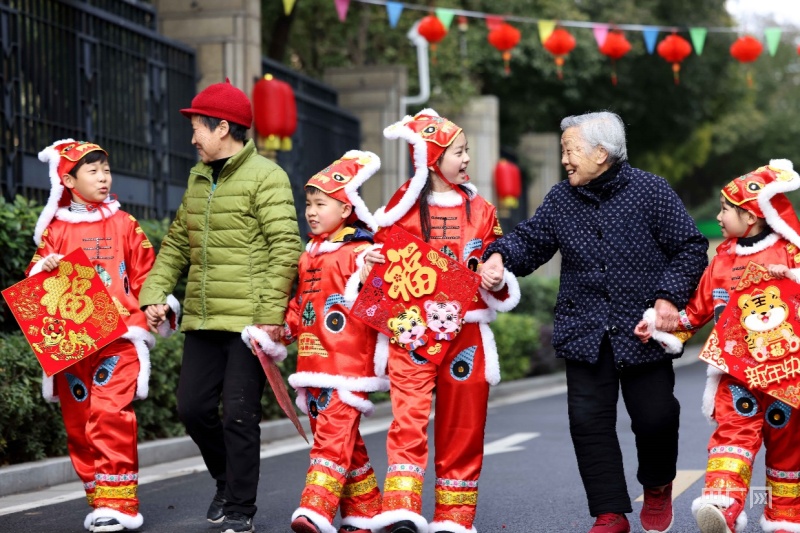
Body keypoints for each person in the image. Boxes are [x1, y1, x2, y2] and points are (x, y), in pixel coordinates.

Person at [481, 111, 708, 533]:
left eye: (570, 150)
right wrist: (498, 257)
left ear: (600, 153)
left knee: (656, 417)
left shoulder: (651, 191)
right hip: (583, 331)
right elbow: (530, 240)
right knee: (588, 424)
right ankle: (610, 513)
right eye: (564, 150)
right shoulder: (561, 199)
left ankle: (658, 485)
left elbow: (691, 247)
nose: (564, 158)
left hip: (642, 332)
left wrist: (666, 298)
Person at [139, 79, 302, 533]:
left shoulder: (267, 177)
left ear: (223, 127)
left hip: (249, 323)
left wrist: (269, 316)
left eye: (197, 127)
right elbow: (175, 244)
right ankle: (225, 479)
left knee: (239, 414)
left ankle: (239, 509)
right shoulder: (197, 177)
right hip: (203, 316)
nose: (192, 138)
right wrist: (153, 293)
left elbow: (285, 247)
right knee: (191, 407)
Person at [364, 109, 521, 533]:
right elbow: (377, 258)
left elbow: (498, 259)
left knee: (463, 421)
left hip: (467, 330)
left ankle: (454, 517)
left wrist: (496, 274)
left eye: (467, 150)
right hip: (413, 327)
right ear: (431, 158)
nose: (467, 158)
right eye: (458, 152)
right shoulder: (400, 208)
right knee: (408, 415)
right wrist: (370, 262)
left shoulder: (483, 209)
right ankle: (401, 508)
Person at [635, 160, 800, 533]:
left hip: (786, 376)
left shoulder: (792, 253)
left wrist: (791, 277)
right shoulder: (723, 258)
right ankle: (722, 509)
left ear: (753, 215)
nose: (719, 216)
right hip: (736, 372)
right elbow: (697, 310)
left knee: (788, 450)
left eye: (726, 209)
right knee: (731, 437)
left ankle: (785, 520)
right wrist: (662, 327)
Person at [26, 139, 172, 532]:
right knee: (79, 424)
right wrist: (46, 267)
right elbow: (34, 281)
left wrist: (158, 305)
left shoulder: (124, 224)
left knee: (110, 414)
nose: (104, 178)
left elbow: (147, 273)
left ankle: (117, 502)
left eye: (106, 170)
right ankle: (101, 495)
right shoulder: (54, 230)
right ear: (68, 179)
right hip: (74, 341)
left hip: (120, 338)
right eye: (93, 172)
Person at [283, 151, 389, 533]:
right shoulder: (309, 254)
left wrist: (366, 273)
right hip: (312, 364)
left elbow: (374, 297)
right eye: (308, 204)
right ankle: (367, 514)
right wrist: (281, 331)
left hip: (347, 365)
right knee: (347, 442)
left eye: (320, 204)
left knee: (331, 439)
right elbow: (301, 306)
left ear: (346, 209)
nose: (311, 211)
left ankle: (315, 509)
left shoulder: (361, 252)